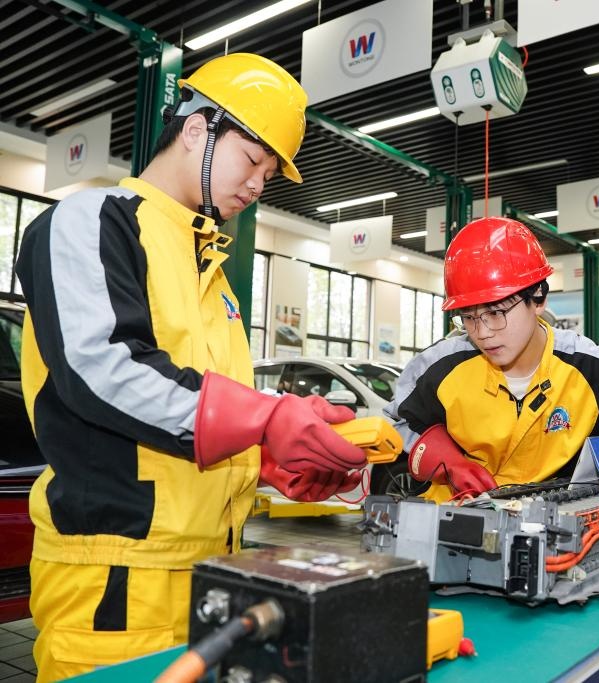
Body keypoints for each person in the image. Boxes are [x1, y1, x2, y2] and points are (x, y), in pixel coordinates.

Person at [16, 53, 368, 681]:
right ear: (198, 129)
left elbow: (189, 408)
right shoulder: (93, 221)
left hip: (210, 573)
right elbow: (103, 368)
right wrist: (265, 419)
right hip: (114, 577)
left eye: (269, 174)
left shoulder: (211, 271)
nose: (257, 186)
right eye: (252, 160)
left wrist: (266, 463)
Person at [385, 217, 599, 532]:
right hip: (448, 529)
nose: (483, 332)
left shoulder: (589, 368)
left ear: (538, 298)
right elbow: (398, 424)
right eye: (469, 317)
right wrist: (451, 464)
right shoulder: (440, 366)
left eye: (496, 312)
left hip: (551, 537)